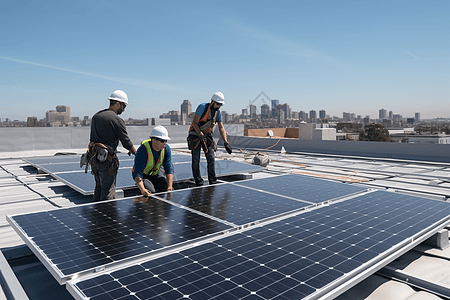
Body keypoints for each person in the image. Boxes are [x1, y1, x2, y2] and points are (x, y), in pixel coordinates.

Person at [89, 90, 136, 201]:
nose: (124, 110)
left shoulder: (96, 116)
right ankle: (106, 215)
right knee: (108, 190)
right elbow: (126, 142)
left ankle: (97, 214)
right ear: (118, 104)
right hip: (106, 162)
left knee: (99, 187)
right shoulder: (116, 119)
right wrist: (136, 153)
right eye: (123, 106)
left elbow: (92, 139)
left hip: (94, 159)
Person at [187, 91, 232, 186]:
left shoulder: (217, 113)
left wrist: (226, 142)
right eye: (218, 104)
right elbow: (195, 123)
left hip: (207, 136)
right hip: (195, 135)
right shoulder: (202, 107)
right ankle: (198, 182)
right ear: (212, 102)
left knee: (211, 158)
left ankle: (213, 181)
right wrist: (200, 133)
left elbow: (221, 127)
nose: (219, 106)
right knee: (196, 160)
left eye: (220, 104)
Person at [132, 125, 173, 196]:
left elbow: (168, 168)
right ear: (154, 140)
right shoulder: (143, 150)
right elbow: (138, 173)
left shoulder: (166, 149)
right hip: (143, 176)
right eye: (162, 141)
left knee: (164, 188)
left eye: (166, 141)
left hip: (155, 174)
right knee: (150, 192)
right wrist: (143, 190)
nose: (164, 143)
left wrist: (169, 187)